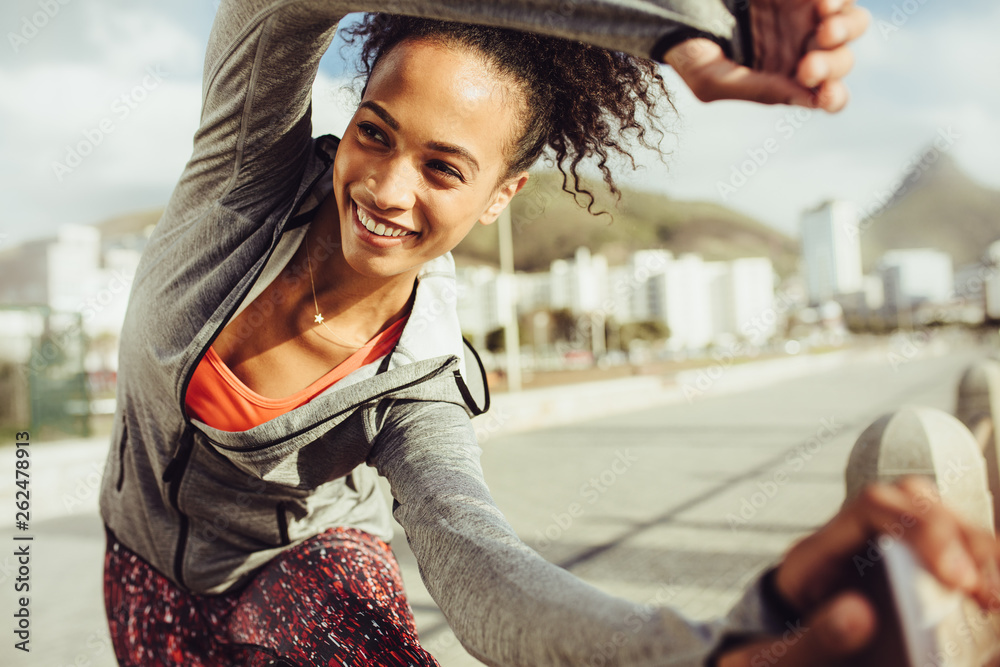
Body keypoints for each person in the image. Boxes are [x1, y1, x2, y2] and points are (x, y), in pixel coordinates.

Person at [98, 1, 1000, 666]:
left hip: (299, 572)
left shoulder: (419, 381)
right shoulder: (241, 181)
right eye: (375, 132)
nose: (385, 188)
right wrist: (676, 25)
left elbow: (484, 563)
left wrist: (713, 650)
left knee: (357, 630)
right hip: (136, 573)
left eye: (444, 168)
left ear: (501, 197)